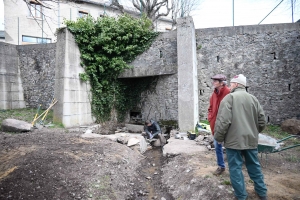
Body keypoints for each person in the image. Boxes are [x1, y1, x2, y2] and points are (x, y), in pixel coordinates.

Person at [214, 74, 267, 200]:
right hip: (250, 140)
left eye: (232, 83)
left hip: (233, 142)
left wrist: (218, 138)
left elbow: (223, 121)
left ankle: (241, 196)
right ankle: (262, 193)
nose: (230, 85)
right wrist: (254, 132)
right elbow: (262, 121)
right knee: (254, 166)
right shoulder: (253, 99)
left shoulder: (229, 98)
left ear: (236, 84)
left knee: (236, 169)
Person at [208, 74, 230, 176]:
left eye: (215, 81)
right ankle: (221, 166)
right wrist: (210, 117)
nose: (213, 82)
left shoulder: (228, 93)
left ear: (222, 83)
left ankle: (234, 167)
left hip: (227, 125)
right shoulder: (214, 94)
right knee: (217, 146)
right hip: (216, 125)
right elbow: (211, 108)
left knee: (230, 146)